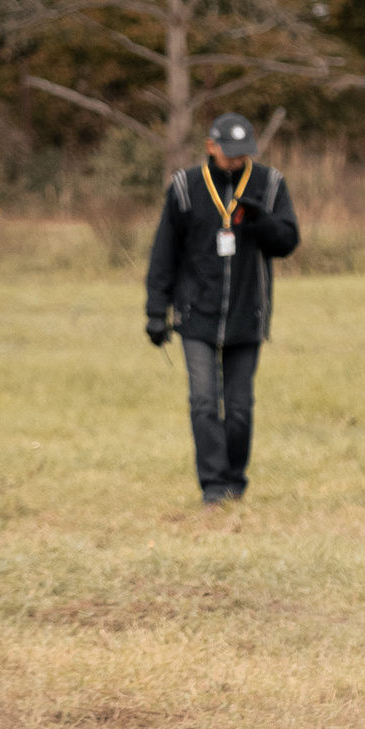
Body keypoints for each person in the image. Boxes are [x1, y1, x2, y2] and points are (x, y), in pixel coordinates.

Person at [144, 113, 301, 504]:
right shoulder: (185, 187)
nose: (237, 160)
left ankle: (234, 481)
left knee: (239, 408)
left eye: (244, 153)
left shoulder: (270, 184)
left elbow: (287, 242)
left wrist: (261, 221)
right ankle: (213, 487)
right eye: (230, 153)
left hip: (248, 315)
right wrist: (155, 309)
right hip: (196, 314)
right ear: (210, 146)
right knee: (202, 401)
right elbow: (165, 251)